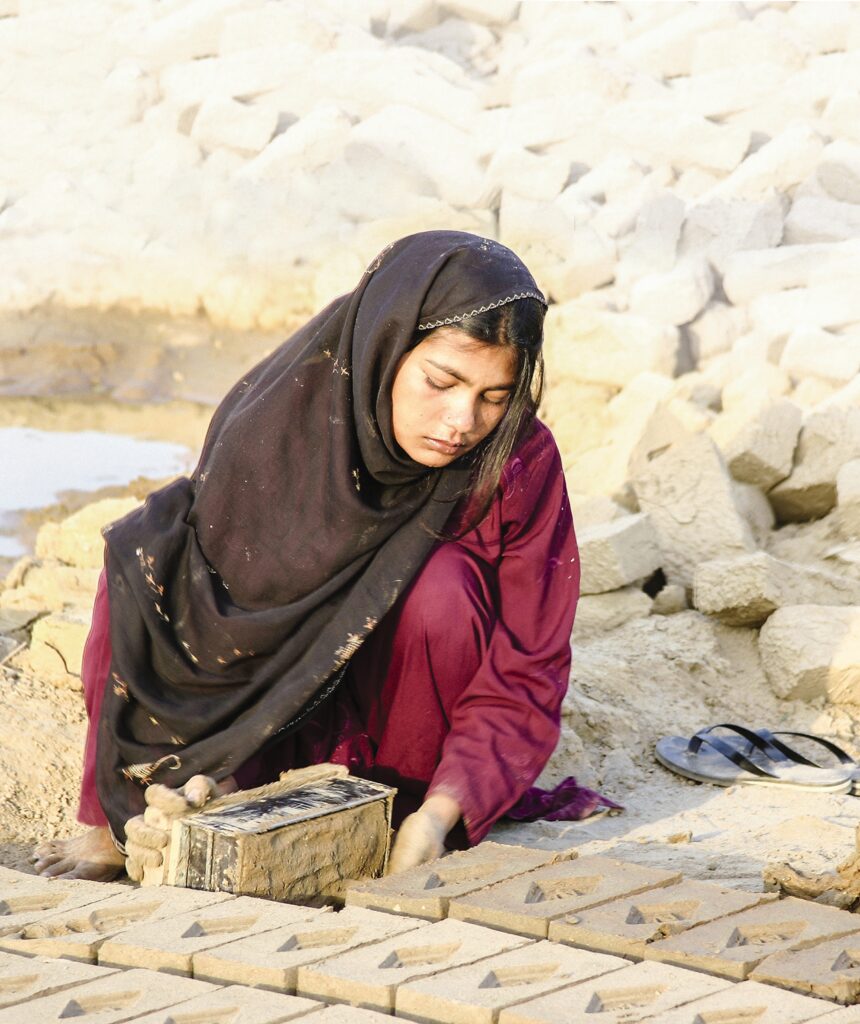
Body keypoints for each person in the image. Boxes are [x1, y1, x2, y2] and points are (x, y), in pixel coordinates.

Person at [32, 230, 615, 882]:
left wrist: (444, 813)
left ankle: (396, 811)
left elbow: (524, 668)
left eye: (493, 396)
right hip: (273, 716)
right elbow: (217, 624)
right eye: (441, 382)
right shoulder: (282, 424)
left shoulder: (517, 463)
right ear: (388, 346)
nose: (460, 420)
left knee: (443, 588)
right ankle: (141, 820)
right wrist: (214, 772)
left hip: (405, 745)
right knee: (143, 560)